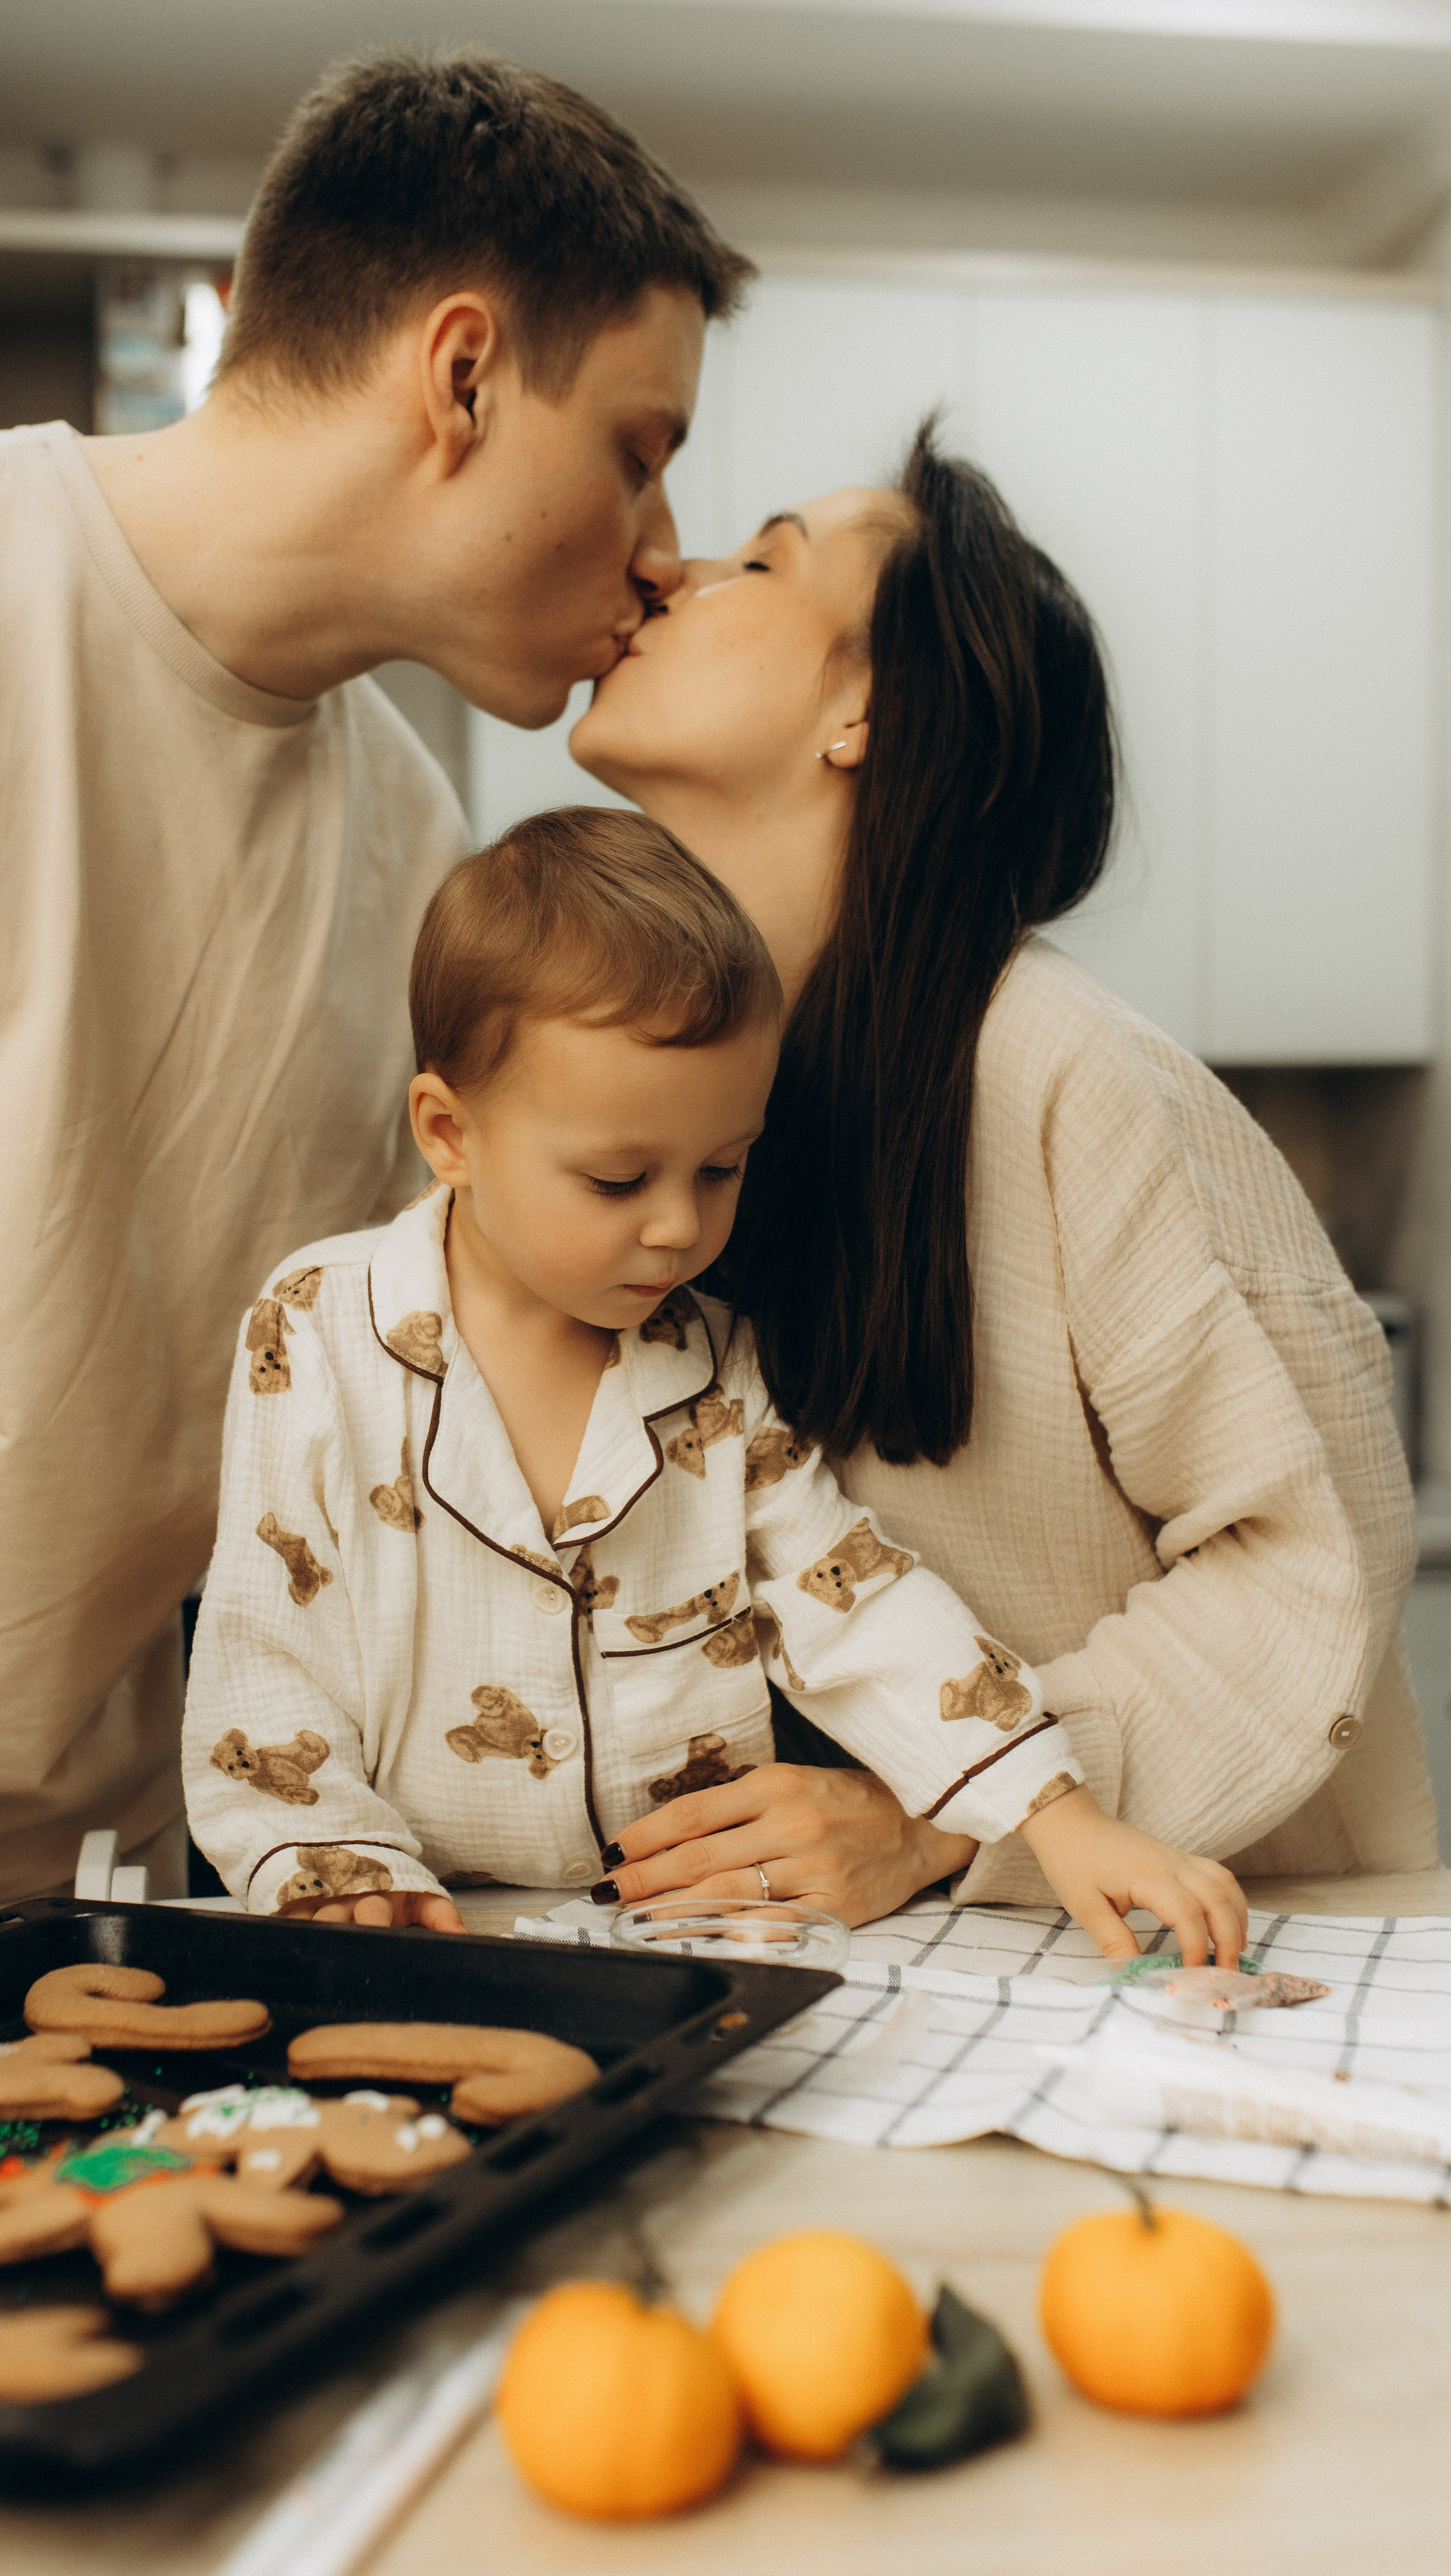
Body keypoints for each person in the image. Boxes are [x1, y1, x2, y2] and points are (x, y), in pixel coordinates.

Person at [0, 51, 752, 1933]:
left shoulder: (409, 826)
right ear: (460, 375)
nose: (667, 546)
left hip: (104, 1899)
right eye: (638, 449)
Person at [569, 420, 1436, 1921]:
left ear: (861, 708)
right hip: (875, 1962)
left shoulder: (1067, 1075)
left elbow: (1315, 1560)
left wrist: (944, 1811)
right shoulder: (688, 1087)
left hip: (1191, 1962)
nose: (668, 572)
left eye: (759, 560)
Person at [183, 811, 1247, 1966]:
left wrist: (1056, 1814)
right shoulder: (315, 1323)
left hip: (703, 1935)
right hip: (413, 1927)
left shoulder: (722, 1363)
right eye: (618, 1177)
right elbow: (263, 1635)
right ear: (450, 1132)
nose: (681, 1227)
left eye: (723, 1166)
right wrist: (329, 1863)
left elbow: (858, 1599)